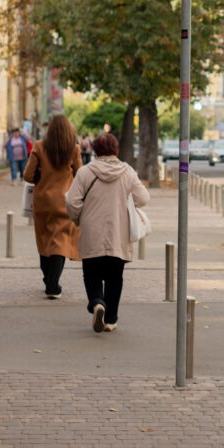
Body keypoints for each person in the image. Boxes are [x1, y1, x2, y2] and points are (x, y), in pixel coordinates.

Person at [65, 132, 149, 333]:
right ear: (116, 149)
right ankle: (111, 319)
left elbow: (71, 201)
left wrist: (78, 218)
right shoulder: (127, 172)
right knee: (115, 277)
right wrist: (127, 201)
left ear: (95, 150)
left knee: (91, 273)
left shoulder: (85, 172)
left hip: (92, 231)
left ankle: (96, 303)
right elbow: (144, 198)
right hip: (118, 233)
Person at [23, 115, 82, 299]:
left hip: (42, 201)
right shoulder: (74, 149)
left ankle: (47, 279)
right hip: (65, 201)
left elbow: (27, 175)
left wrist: (41, 176)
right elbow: (80, 174)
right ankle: (52, 284)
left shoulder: (39, 146)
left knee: (44, 239)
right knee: (60, 241)